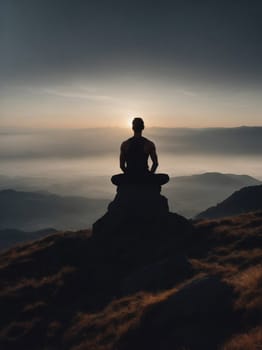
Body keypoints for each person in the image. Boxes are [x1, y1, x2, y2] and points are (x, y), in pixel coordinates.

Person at [111, 118, 169, 186]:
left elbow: (122, 166)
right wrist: (150, 175)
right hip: (144, 176)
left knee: (114, 178)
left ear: (132, 128)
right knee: (165, 177)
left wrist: (129, 174)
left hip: (130, 176)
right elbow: (155, 163)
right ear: (143, 127)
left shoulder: (125, 144)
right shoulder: (149, 144)